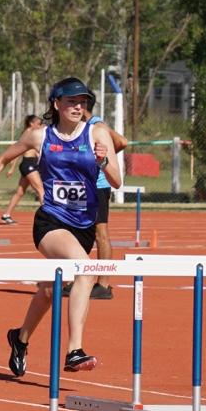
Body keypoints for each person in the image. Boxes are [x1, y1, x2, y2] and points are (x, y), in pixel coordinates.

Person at [0, 77, 122, 374]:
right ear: (56, 104)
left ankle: (20, 338)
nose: (78, 107)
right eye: (72, 102)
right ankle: (74, 350)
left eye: (83, 102)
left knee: (51, 290)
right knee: (85, 270)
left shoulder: (97, 132)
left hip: (83, 224)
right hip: (51, 220)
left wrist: (103, 162)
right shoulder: (40, 136)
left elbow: (116, 181)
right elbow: (2, 158)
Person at [85, 112, 130, 300]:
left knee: (100, 233)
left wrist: (103, 159)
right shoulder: (76, 126)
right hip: (83, 184)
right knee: (76, 230)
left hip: (99, 185)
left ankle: (103, 284)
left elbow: (122, 142)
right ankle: (72, 280)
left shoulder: (96, 124)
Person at [0, 115, 44, 225]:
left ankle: (6, 215)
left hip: (31, 164)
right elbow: (17, 151)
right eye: (38, 124)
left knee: (20, 192)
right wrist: (11, 168)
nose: (40, 126)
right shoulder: (28, 133)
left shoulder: (34, 134)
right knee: (41, 190)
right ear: (31, 124)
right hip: (29, 164)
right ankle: (48, 217)